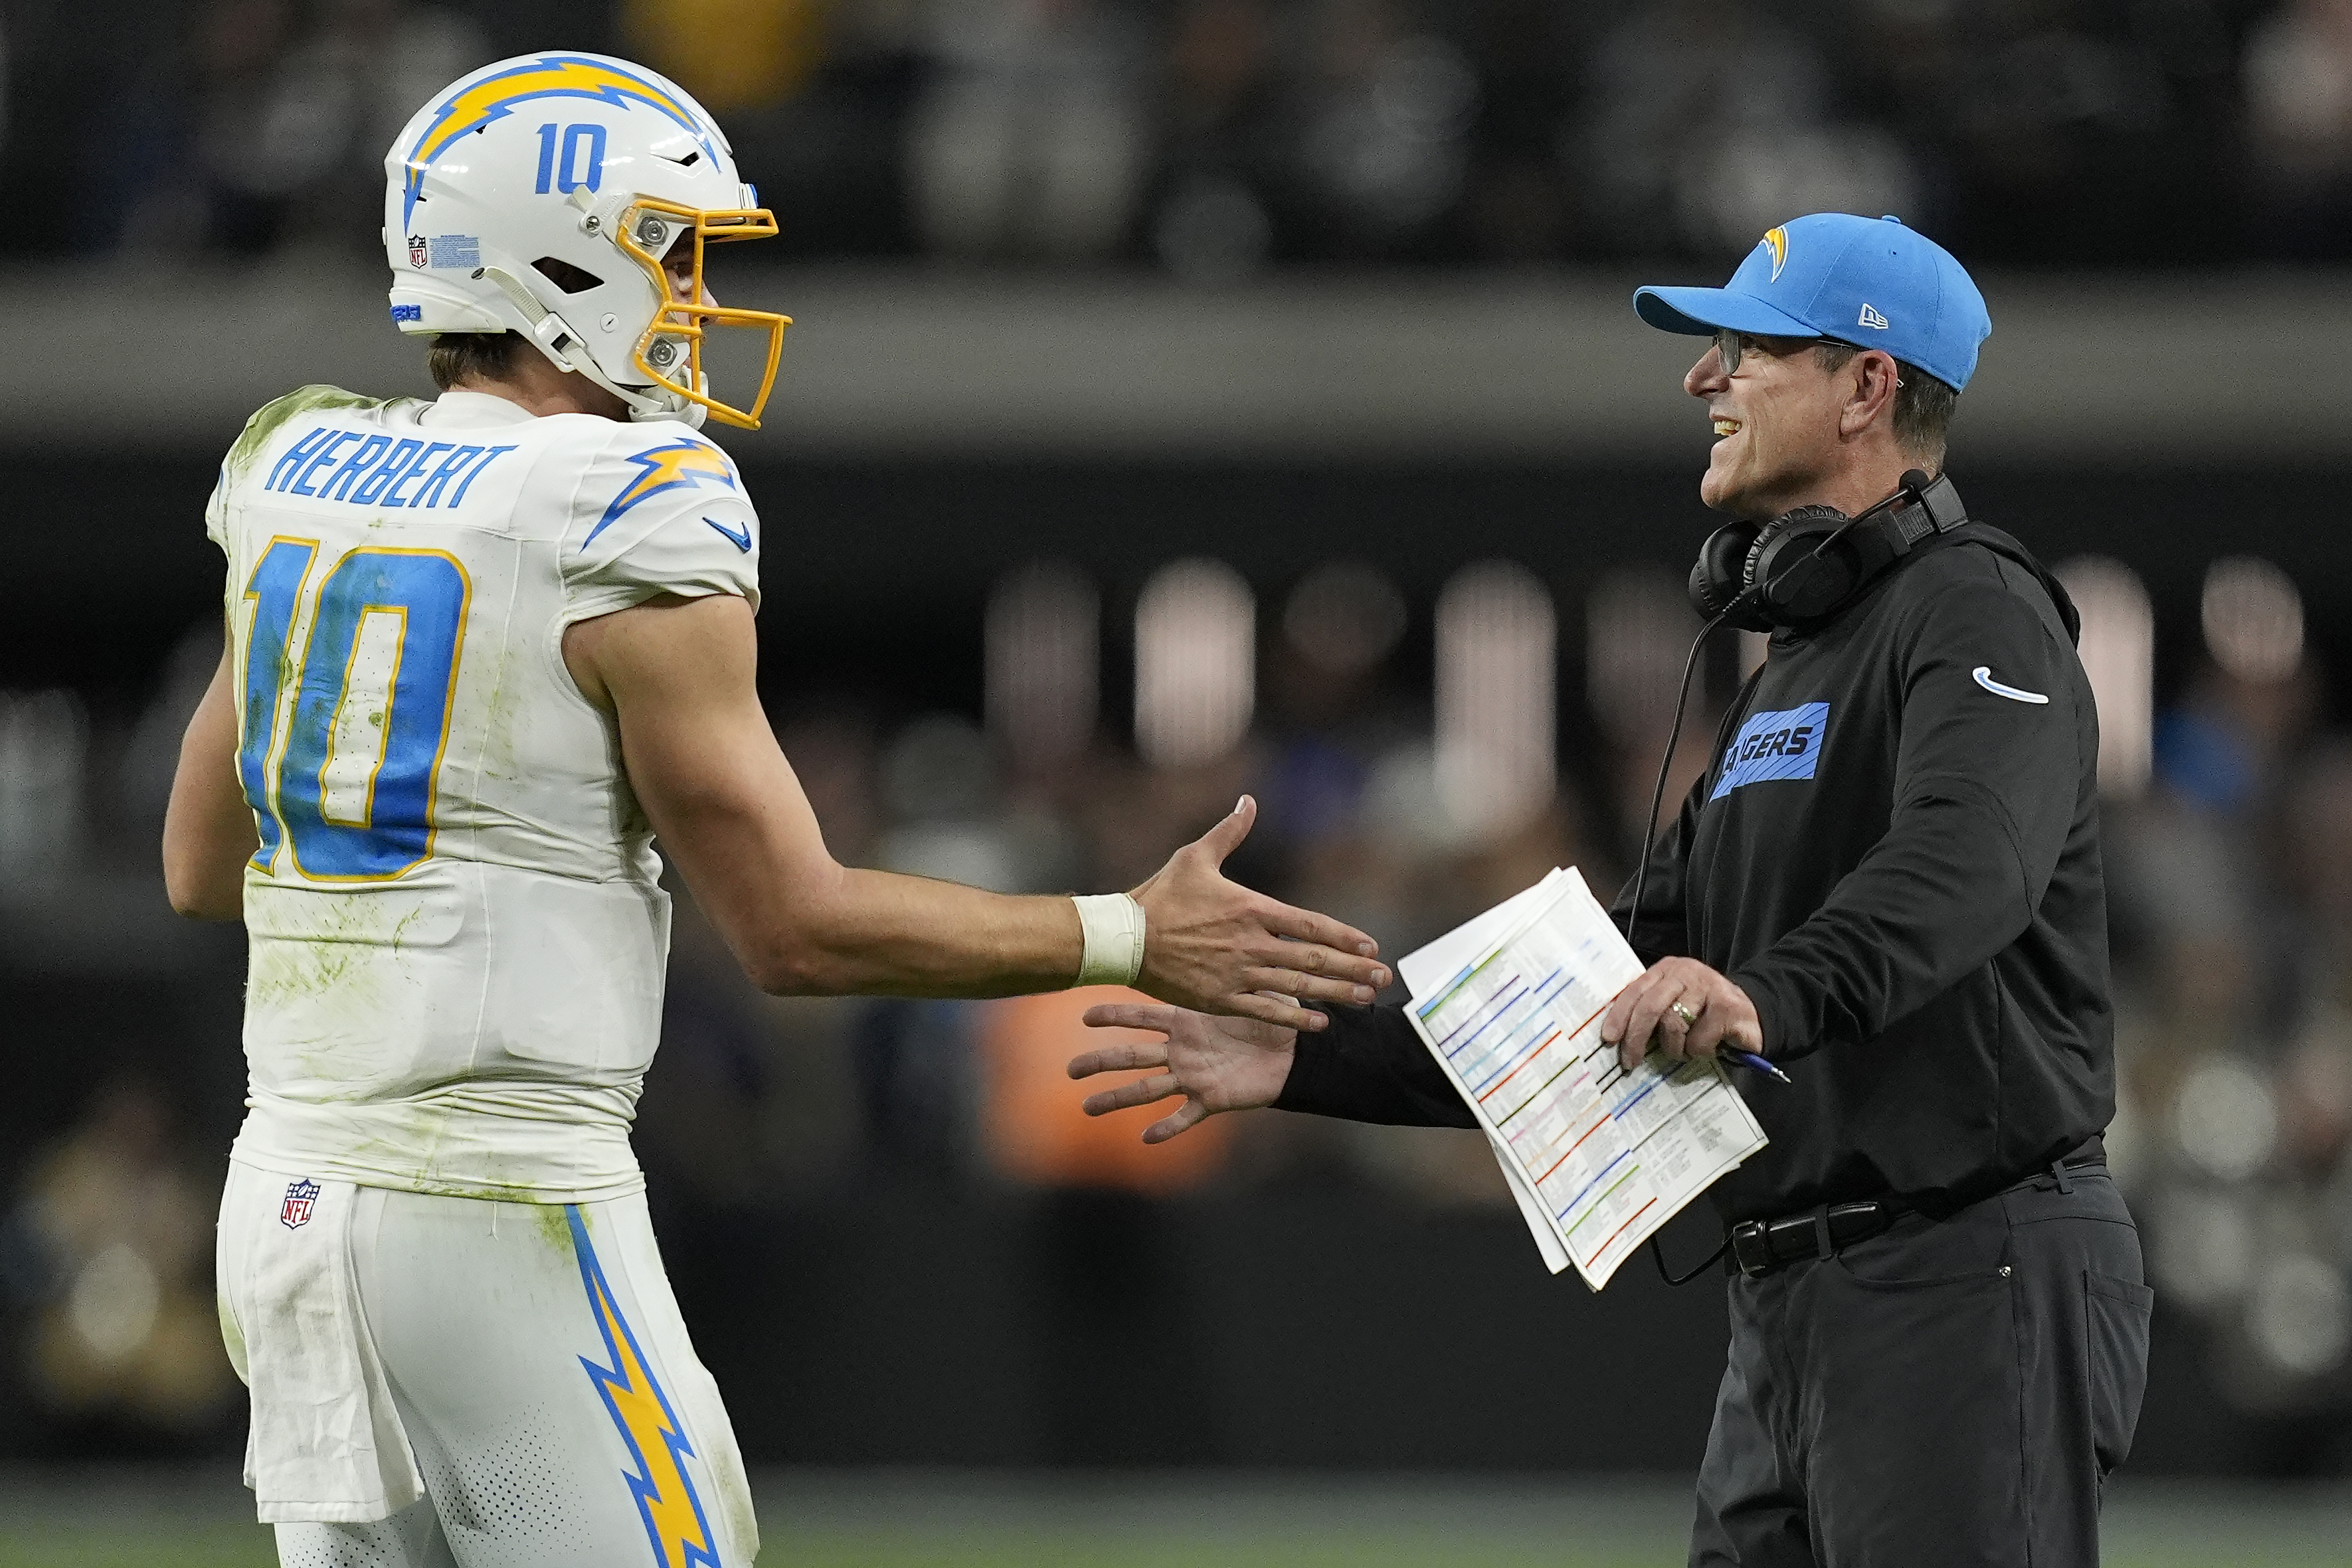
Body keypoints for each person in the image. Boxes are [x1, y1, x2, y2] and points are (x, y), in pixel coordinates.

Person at [160, 52, 1390, 1568]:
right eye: (669, 249)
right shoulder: (623, 497)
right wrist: (1130, 931)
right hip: (501, 1201)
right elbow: (796, 929)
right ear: (559, 255)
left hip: (282, 1194)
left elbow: (201, 863)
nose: (691, 293)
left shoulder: (296, 470)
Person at [1072, 213, 2149, 1565]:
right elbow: (1601, 987)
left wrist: (1761, 990)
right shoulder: (1793, 671)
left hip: (1963, 1266)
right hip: (1797, 1296)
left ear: (1867, 385)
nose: (1702, 379)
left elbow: (1967, 865)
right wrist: (1303, 1049)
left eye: (1746, 347)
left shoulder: (1976, 607)